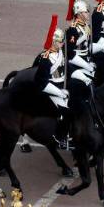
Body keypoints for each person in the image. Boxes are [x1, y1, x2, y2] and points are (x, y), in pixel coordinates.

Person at [35, 15, 70, 146]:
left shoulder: (60, 52)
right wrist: (59, 93)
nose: (62, 44)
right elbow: (42, 81)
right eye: (61, 42)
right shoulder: (46, 58)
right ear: (54, 42)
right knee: (64, 111)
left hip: (62, 84)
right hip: (51, 88)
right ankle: (59, 136)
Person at [65, 0, 96, 115]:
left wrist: (90, 60)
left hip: (84, 58)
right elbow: (71, 52)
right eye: (85, 12)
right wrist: (86, 65)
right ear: (78, 14)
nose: (87, 13)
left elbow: (87, 47)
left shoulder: (85, 26)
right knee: (85, 81)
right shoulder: (73, 30)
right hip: (74, 61)